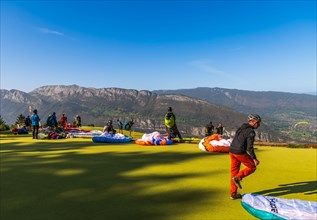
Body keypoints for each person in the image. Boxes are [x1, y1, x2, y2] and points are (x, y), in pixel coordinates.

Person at [229, 114, 261, 200]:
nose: (259, 125)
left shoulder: (241, 127)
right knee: (252, 167)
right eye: (258, 123)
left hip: (232, 150)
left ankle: (233, 194)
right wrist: (254, 158)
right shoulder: (251, 132)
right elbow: (249, 147)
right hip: (239, 152)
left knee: (234, 171)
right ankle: (238, 178)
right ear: (253, 122)